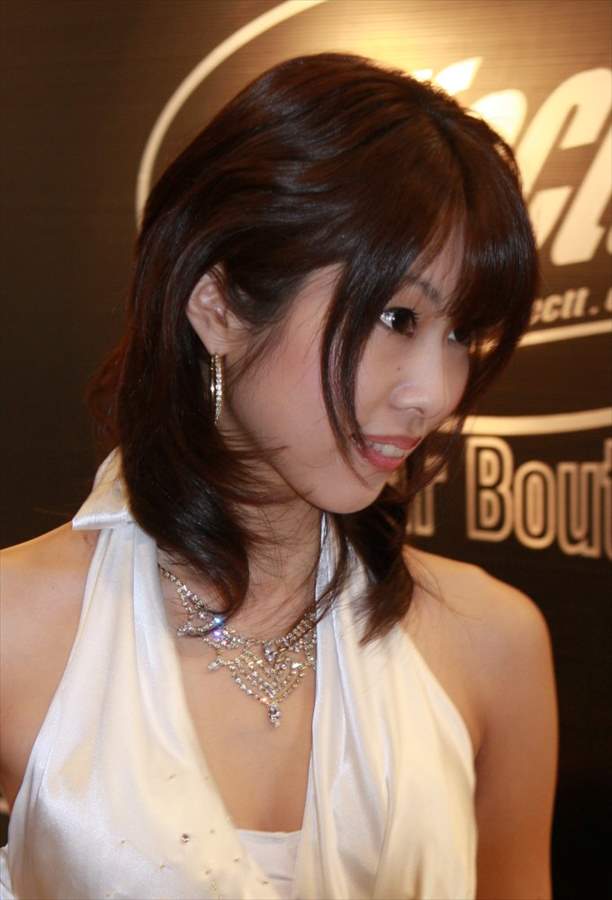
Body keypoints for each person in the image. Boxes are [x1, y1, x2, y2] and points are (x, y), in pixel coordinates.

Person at [0, 53, 557, 900]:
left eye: (461, 334)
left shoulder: (494, 644)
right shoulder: (16, 631)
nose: (435, 393)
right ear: (217, 304)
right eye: (397, 317)